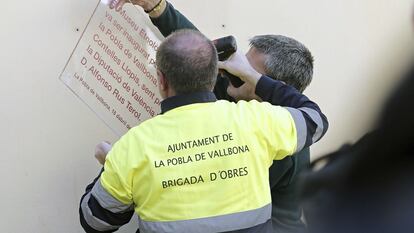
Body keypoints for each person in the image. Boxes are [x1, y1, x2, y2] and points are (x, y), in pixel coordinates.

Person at [79, 29, 328, 232]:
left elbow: (96, 221)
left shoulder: (131, 148)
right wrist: (255, 78)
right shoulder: (257, 122)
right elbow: (316, 120)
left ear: (161, 80)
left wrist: (111, 166)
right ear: (217, 74)